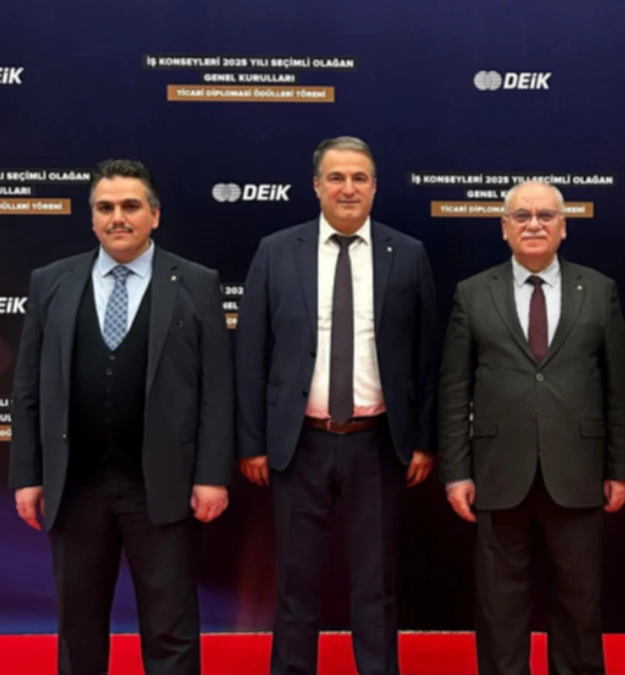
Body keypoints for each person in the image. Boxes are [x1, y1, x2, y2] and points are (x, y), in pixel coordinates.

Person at [9, 158, 234, 675]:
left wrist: (211, 476)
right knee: (78, 627)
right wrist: (27, 474)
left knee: (171, 626)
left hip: (164, 485)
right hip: (76, 485)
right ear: (92, 218)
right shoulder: (51, 281)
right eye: (105, 207)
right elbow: (27, 388)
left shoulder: (197, 283)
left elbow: (217, 390)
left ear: (154, 215)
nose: (118, 218)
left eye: (130, 206)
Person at [234, 136, 438, 675]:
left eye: (359, 178)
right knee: (295, 582)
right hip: (298, 443)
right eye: (336, 178)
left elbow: (426, 358)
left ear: (374, 187)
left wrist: (423, 439)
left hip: (378, 444)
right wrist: (252, 442)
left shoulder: (408, 253)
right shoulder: (276, 251)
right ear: (316, 186)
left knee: (375, 583)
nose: (348, 188)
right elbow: (251, 354)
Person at [438, 181, 625, 675]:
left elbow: (619, 388)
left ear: (563, 227)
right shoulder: (472, 293)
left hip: (578, 474)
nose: (534, 224)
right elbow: (454, 389)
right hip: (498, 474)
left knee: (579, 609)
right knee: (499, 611)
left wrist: (622, 468)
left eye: (546, 216)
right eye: (522, 216)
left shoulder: (599, 290)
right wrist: (456, 472)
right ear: (504, 228)